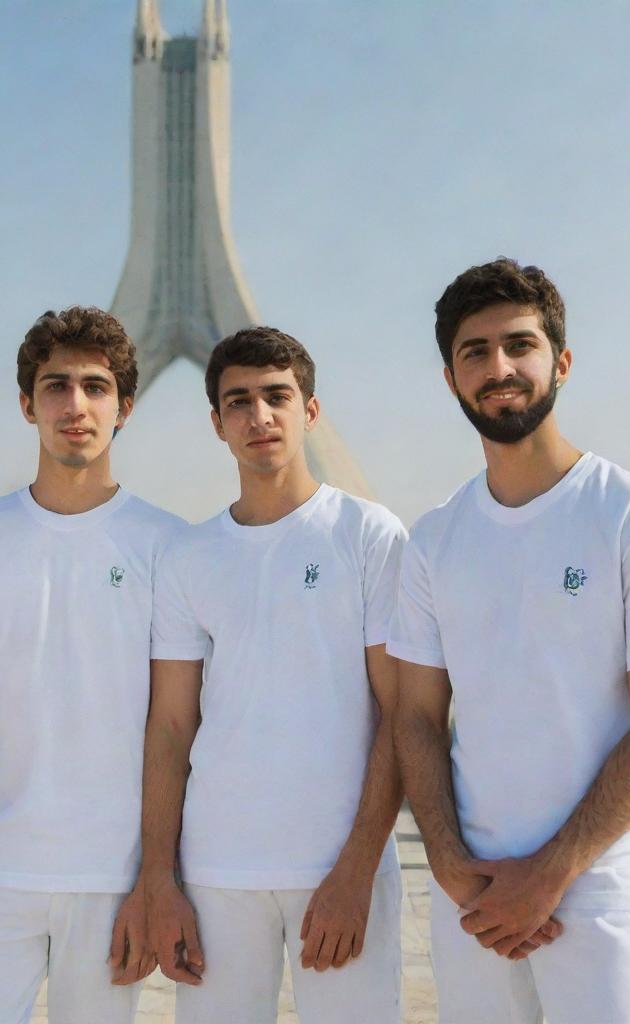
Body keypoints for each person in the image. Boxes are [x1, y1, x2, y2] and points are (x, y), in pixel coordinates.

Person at [389, 257, 630, 1023]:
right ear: (450, 378)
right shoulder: (433, 542)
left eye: (519, 345)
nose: (499, 368)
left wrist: (552, 874)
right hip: (475, 902)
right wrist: (454, 867)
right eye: (474, 352)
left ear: (560, 360)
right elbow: (415, 717)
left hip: (600, 894)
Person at [140, 327, 406, 1024]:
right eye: (240, 402)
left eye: (276, 397)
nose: (259, 416)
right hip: (218, 874)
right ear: (217, 423)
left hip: (343, 873)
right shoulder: (188, 557)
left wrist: (357, 868)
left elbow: (400, 714)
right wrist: (159, 880)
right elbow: (170, 727)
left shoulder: (367, 535)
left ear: (309, 411)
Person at [0, 306, 183, 1024]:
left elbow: (173, 727)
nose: (74, 405)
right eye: (55, 386)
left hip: (112, 878)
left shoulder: (167, 544)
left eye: (95, 386)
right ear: (27, 404)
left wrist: (156, 877)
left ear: (125, 408)